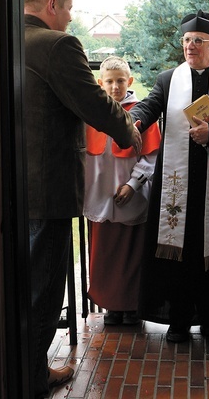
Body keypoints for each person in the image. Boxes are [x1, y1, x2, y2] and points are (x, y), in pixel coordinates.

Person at [24, 0, 141, 399]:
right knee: (43, 289)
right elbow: (95, 104)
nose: (70, 20)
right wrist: (128, 130)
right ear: (52, 4)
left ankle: (26, 367)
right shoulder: (56, 45)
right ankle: (33, 379)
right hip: (48, 190)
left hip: (16, 189)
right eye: (70, 11)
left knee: (21, 285)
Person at [130, 9, 209, 343]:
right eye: (186, 40)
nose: (190, 46)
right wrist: (135, 122)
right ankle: (179, 318)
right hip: (175, 183)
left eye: (198, 40)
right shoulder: (169, 79)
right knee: (178, 253)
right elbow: (148, 106)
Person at [83, 56, 161, 326]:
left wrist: (134, 183)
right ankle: (110, 306)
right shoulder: (91, 113)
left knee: (132, 253)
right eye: (109, 81)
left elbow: (151, 156)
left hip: (131, 193)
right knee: (104, 254)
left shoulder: (141, 112)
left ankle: (131, 307)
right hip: (100, 193)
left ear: (129, 81)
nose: (115, 87)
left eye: (120, 81)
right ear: (99, 83)